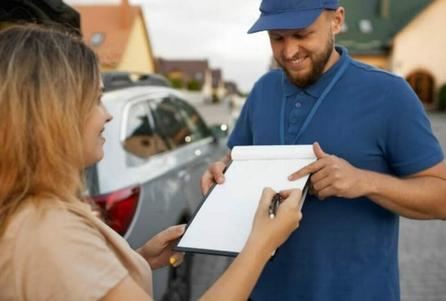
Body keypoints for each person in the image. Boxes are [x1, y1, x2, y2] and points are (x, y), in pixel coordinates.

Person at [0, 25, 303, 301]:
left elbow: (71, 283)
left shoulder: (28, 213)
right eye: (94, 100)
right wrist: (261, 243)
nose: (106, 114)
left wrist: (138, 260)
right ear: (53, 117)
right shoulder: (51, 230)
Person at [201, 0, 446, 300]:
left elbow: (445, 199)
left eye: (302, 34)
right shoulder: (262, 90)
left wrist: (365, 181)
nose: (289, 51)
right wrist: (221, 168)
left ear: (337, 21)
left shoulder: (390, 94)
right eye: (277, 38)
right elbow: (235, 158)